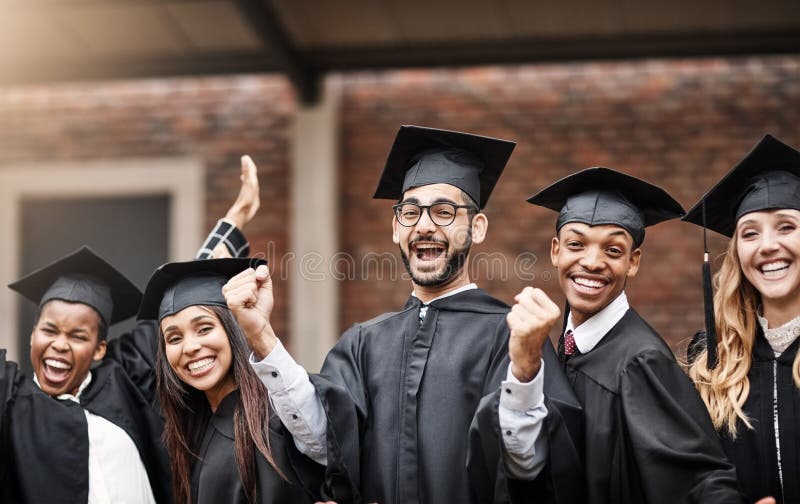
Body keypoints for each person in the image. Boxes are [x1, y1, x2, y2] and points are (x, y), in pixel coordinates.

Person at [222, 125, 583, 504]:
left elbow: (529, 469)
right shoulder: (364, 343)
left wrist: (524, 369)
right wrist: (261, 336)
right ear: (396, 228)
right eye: (410, 212)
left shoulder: (510, 337)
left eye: (444, 212)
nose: (424, 225)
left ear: (477, 228)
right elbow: (324, 445)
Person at [0, 155, 261, 504]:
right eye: (49, 331)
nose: (60, 344)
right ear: (33, 335)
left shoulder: (122, 376)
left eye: (78, 336)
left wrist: (236, 217)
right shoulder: (12, 401)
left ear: (99, 349)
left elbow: (184, 303)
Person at [525, 167, 746, 503]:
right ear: (556, 251)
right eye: (576, 244)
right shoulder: (569, 343)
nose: (592, 261)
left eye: (613, 250)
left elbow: (693, 476)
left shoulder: (640, 361)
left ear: (633, 261)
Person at [137, 258, 319, 504]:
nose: (190, 347)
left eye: (204, 329)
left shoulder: (275, 426)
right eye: (174, 338)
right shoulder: (189, 429)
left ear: (232, 330)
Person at [684, 134, 800, 504]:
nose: (767, 245)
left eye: (786, 226)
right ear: (737, 252)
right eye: (750, 233)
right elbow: (696, 473)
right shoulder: (712, 359)